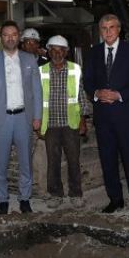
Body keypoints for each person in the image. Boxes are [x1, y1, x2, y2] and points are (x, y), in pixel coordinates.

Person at [83, 13, 129, 217]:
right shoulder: (93, 53)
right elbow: (88, 81)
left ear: (119, 30)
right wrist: (96, 93)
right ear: (100, 31)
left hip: (126, 115)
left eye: (112, 27)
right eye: (104, 28)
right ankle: (115, 199)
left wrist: (119, 95)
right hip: (103, 118)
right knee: (107, 160)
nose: (108, 32)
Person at [0, 20, 43, 214]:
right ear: (1, 39)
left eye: (14, 34)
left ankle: (25, 198)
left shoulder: (29, 60)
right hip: (1, 120)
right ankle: (2, 200)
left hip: (23, 117)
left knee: (25, 162)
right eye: (6, 35)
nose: (10, 38)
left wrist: (38, 116)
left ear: (19, 37)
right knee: (0, 163)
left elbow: (37, 90)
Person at [39, 35, 90, 209]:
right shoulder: (41, 71)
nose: (57, 53)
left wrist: (83, 119)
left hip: (71, 123)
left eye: (60, 50)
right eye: (53, 49)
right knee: (53, 161)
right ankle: (55, 194)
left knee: (74, 160)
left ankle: (76, 194)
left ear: (66, 52)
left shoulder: (76, 70)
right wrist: (37, 122)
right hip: (51, 123)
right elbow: (37, 98)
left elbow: (81, 96)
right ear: (48, 51)